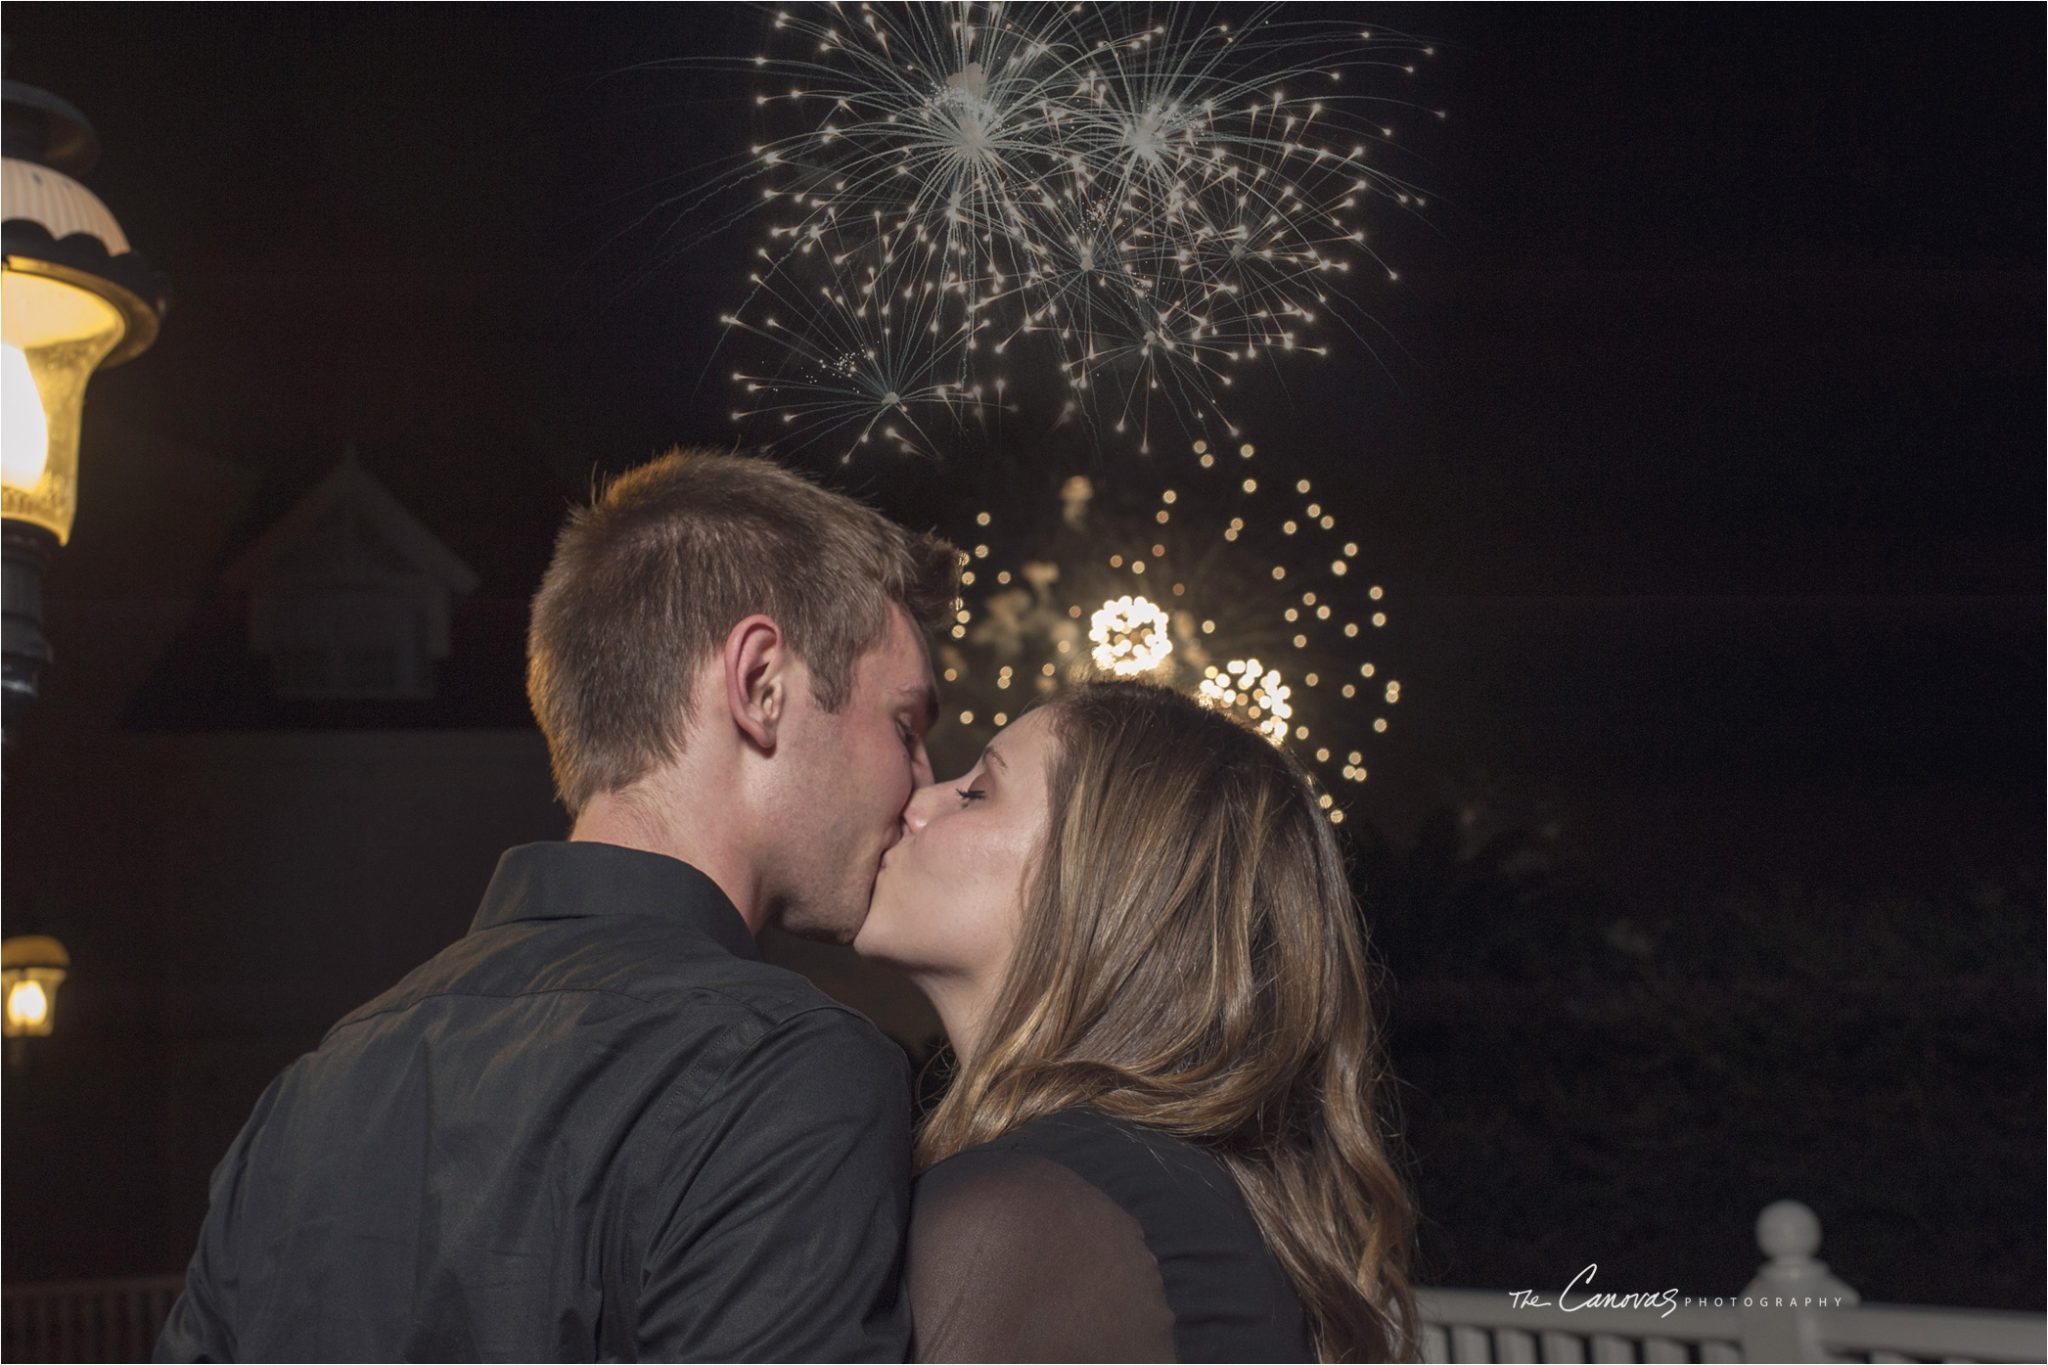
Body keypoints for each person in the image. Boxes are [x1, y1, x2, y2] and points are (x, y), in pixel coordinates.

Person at [156, 448, 960, 1362]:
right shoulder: (788, 1068)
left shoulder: (307, 1098)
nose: (921, 785)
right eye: (905, 724)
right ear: (760, 683)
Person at [856, 680, 1420, 1363]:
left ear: (1101, 883)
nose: (914, 804)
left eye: (978, 791)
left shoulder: (1026, 1214)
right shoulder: (1158, 1193)